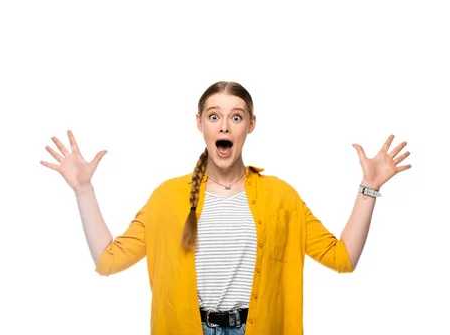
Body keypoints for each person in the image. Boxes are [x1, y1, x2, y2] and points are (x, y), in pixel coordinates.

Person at [40, 80, 411, 335]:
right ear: (200, 123)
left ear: (250, 125)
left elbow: (341, 258)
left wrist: (369, 188)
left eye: (236, 116)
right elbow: (109, 261)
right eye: (214, 116)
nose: (225, 125)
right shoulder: (167, 197)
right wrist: (84, 189)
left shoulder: (281, 197)